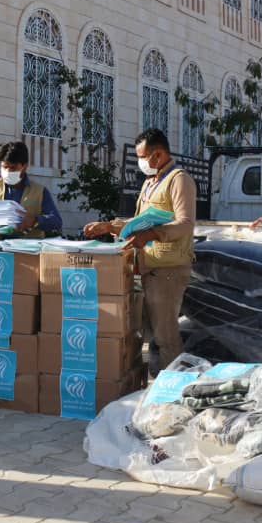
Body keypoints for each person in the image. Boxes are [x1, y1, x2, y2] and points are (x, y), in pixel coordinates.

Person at [83, 129, 196, 374]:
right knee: (151, 334)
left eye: (143, 157)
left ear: (159, 154)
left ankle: (174, 387)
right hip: (147, 266)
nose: (141, 162)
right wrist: (110, 226)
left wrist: (153, 234)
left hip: (168, 270)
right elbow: (138, 223)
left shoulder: (179, 180)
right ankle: (156, 380)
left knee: (166, 335)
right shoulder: (150, 183)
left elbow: (186, 224)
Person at [0, 141, 63, 238]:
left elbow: (56, 221)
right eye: (5, 167)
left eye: (13, 168)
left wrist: (35, 221)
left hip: (27, 246)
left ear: (24, 166)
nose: (8, 171)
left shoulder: (40, 191)